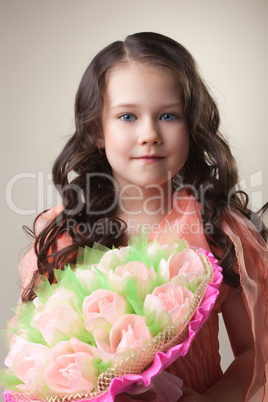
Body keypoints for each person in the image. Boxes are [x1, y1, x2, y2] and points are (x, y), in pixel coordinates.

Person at [9, 32, 268, 401]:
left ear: (190, 125)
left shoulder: (217, 230)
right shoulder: (65, 234)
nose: (150, 134)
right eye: (127, 116)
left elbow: (257, 353)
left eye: (168, 115)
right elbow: (36, 360)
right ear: (98, 130)